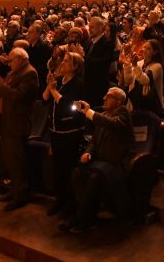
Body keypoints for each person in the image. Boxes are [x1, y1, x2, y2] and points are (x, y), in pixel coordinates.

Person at [61, 87, 135, 234]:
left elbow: (112, 123)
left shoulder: (123, 114)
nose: (104, 98)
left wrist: (89, 112)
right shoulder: (104, 115)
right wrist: (88, 152)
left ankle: (81, 219)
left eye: (108, 96)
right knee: (76, 173)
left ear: (118, 101)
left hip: (115, 165)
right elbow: (94, 141)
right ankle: (86, 214)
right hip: (100, 164)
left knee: (94, 178)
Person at [0, 46, 38, 211]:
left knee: (18, 162)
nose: (9, 63)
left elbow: (20, 97)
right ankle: (14, 190)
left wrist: (2, 87)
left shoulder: (30, 73)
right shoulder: (15, 71)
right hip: (8, 121)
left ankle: (21, 195)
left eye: (11, 60)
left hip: (18, 123)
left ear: (20, 59)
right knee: (10, 161)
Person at [42, 51, 86, 217]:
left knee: (67, 169)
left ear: (75, 66)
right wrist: (49, 85)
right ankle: (59, 201)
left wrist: (54, 90)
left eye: (67, 61)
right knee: (57, 169)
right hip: (56, 131)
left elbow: (67, 105)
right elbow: (45, 98)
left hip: (70, 132)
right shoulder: (60, 81)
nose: (62, 63)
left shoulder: (78, 84)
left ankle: (70, 205)